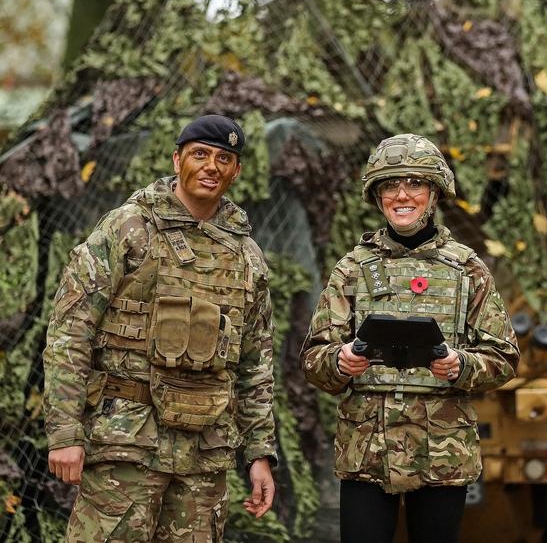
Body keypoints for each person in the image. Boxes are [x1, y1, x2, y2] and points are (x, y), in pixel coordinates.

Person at [43, 114, 277, 542]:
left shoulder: (247, 254)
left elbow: (254, 363)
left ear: (237, 170)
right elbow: (69, 331)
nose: (211, 166)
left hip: (204, 456)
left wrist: (259, 454)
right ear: (176, 160)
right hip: (125, 443)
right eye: (199, 154)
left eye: (224, 158)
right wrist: (64, 432)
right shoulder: (127, 228)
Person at [301, 133, 520, 543]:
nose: (402, 195)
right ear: (377, 195)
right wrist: (340, 361)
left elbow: (504, 356)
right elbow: (314, 358)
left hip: (442, 453)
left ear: (435, 193)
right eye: (390, 185)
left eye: (415, 183)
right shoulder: (352, 268)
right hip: (367, 449)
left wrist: (461, 365)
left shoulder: (466, 270)